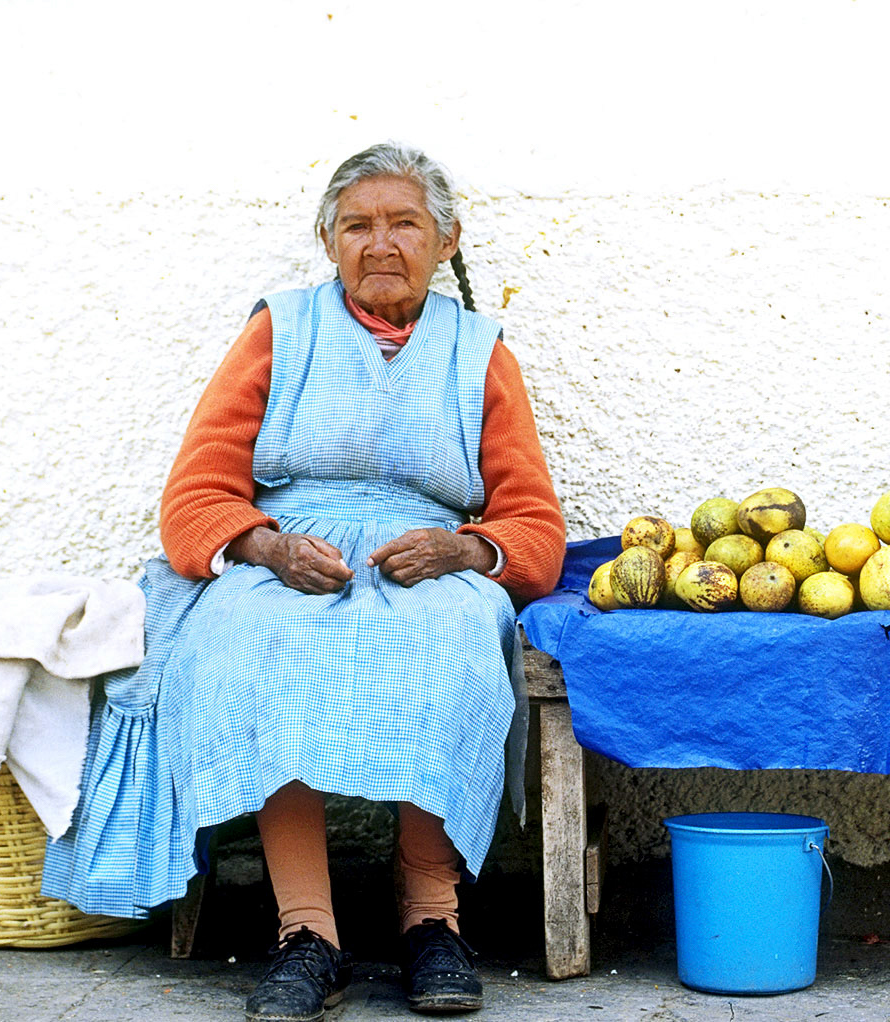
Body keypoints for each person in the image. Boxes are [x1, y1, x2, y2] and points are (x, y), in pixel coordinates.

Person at [41, 142, 566, 1021]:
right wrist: (266, 548)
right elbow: (197, 496)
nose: (381, 243)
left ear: (447, 239)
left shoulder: (480, 353)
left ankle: (431, 918)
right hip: (283, 557)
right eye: (357, 226)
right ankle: (306, 933)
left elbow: (533, 525)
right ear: (329, 244)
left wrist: (462, 552)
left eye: (405, 223)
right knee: (255, 649)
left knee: (450, 648)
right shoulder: (280, 330)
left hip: (428, 558)